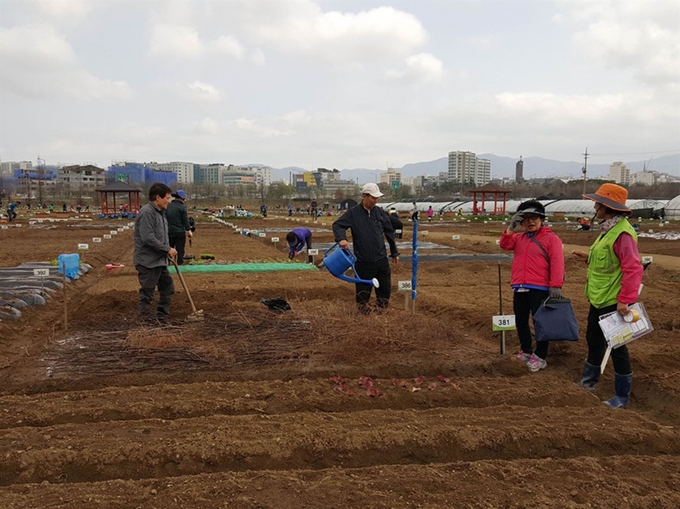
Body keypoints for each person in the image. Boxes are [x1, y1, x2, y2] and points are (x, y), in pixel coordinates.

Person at [573, 184, 643, 408]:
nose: (594, 206)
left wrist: (625, 300)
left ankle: (621, 396)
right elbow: (609, 261)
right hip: (599, 297)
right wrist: (588, 257)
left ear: (608, 207)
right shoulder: (608, 230)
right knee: (594, 340)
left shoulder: (622, 234)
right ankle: (588, 383)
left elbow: (633, 268)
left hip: (614, 301)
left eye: (598, 203)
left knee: (617, 347)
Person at [500, 200, 564, 372]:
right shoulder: (519, 238)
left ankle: (540, 356)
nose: (530, 221)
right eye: (526, 218)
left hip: (540, 287)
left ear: (541, 219)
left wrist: (556, 285)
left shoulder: (551, 239)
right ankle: (526, 351)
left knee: (541, 322)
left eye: (534, 217)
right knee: (521, 320)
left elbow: (557, 262)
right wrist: (511, 228)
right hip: (520, 286)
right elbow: (504, 245)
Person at [332, 183, 399, 314]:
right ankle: (364, 316)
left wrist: (394, 252)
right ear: (364, 196)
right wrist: (342, 239)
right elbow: (338, 225)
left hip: (381, 259)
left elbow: (389, 232)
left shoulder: (379, 212)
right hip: (363, 260)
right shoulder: (353, 213)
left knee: (384, 290)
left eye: (377, 198)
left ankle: (381, 313)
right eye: (373, 197)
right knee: (363, 294)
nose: (376, 200)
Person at [133, 183, 177, 323]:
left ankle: (162, 317)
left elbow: (162, 236)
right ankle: (144, 322)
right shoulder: (147, 213)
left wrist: (167, 251)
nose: (169, 201)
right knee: (147, 292)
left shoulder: (161, 213)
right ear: (158, 197)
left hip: (159, 260)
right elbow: (148, 238)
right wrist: (167, 249)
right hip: (148, 262)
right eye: (167, 198)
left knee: (168, 288)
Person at [166, 190, 192, 265]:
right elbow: (185, 220)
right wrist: (189, 230)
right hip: (180, 232)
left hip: (169, 231)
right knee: (180, 249)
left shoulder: (168, 206)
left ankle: (167, 262)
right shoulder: (182, 207)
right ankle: (179, 263)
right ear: (181, 198)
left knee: (169, 247)